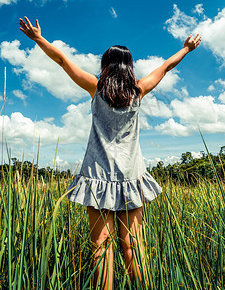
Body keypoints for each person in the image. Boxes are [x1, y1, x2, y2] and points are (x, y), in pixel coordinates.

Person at [19, 16, 202, 289]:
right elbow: (165, 67)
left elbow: (63, 61)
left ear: (106, 66)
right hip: (131, 176)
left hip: (97, 176)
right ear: (129, 67)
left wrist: (38, 39)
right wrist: (187, 48)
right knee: (133, 249)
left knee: (101, 249)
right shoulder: (138, 91)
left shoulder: (95, 88)